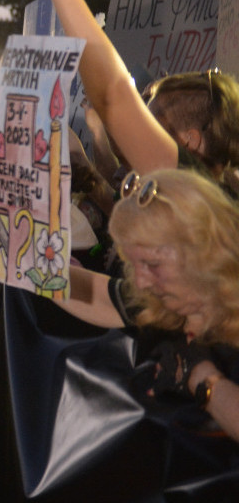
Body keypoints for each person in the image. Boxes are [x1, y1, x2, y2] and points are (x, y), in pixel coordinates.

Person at [31, 0, 239, 187]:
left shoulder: (195, 194)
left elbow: (113, 95)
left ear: (190, 142)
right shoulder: (185, 199)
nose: (135, 120)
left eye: (149, 118)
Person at [54, 169, 239, 442]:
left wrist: (204, 380)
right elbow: (99, 297)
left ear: (202, 251)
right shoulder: (168, 304)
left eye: (152, 265)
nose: (140, 282)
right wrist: (30, 266)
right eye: (133, 264)